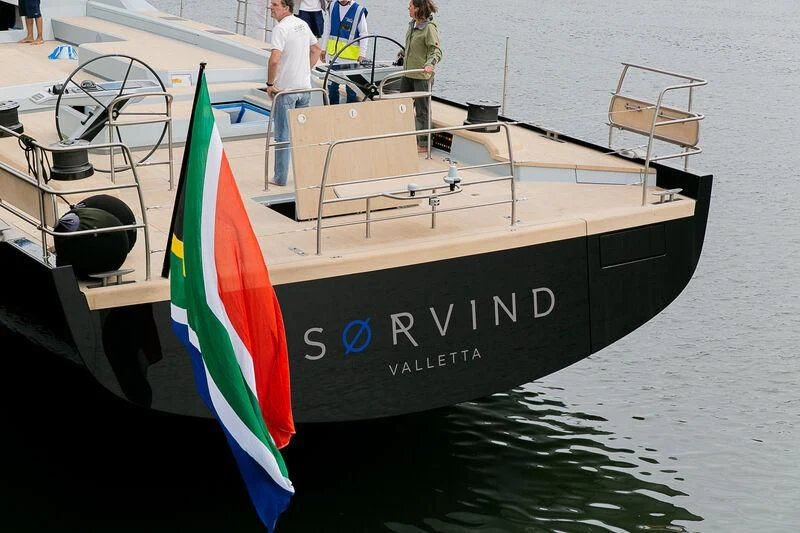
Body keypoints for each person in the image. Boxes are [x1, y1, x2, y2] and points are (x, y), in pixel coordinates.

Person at [267, 0, 322, 186]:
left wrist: (269, 83)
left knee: (283, 135)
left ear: (286, 8)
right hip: (305, 89)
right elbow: (316, 49)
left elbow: (274, 60)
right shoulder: (303, 24)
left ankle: (280, 177)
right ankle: (304, 176)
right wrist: (306, 69)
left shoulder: (281, 29)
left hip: (286, 91)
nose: (271, 8)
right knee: (301, 134)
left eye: (275, 5)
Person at [400, 0, 442, 152]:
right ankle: (404, 137)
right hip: (408, 74)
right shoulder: (412, 25)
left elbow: (435, 51)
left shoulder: (429, 29)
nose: (408, 9)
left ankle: (423, 144)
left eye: (410, 7)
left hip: (422, 77)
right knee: (402, 106)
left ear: (418, 8)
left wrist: (430, 64)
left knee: (422, 111)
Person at [320, 0, 369, 105]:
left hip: (351, 59)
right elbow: (327, 28)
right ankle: (333, 112)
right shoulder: (332, 6)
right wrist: (323, 49)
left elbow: (364, 34)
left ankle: (350, 115)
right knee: (332, 88)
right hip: (333, 57)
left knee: (351, 91)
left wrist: (362, 55)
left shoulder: (358, 10)